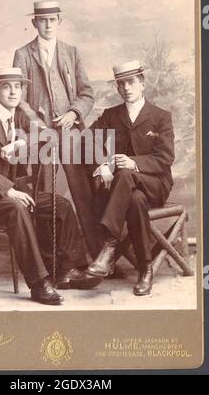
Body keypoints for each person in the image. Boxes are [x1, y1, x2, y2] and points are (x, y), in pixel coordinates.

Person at [0, 68, 101, 306]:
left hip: (12, 193)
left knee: (62, 205)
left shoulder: (21, 118)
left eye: (18, 86)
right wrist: (10, 190)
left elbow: (46, 135)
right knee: (17, 208)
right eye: (6, 86)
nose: (13, 91)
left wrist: (22, 141)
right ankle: (39, 283)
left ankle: (69, 271)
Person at [13, 0, 100, 258]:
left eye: (53, 19)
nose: (48, 24)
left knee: (83, 196)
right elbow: (20, 99)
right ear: (34, 23)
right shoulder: (22, 54)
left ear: (60, 22)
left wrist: (73, 113)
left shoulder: (71, 52)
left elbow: (86, 93)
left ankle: (98, 258)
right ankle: (50, 262)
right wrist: (37, 125)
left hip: (70, 134)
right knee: (46, 199)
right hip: (41, 139)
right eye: (43, 20)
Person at [85, 60, 175, 295]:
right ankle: (146, 269)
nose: (126, 88)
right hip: (126, 191)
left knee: (125, 173)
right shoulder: (111, 115)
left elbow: (165, 158)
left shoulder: (161, 117)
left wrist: (135, 163)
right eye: (121, 84)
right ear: (117, 88)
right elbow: (87, 139)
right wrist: (103, 164)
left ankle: (109, 245)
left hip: (155, 183)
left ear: (142, 84)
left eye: (131, 82)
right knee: (134, 200)